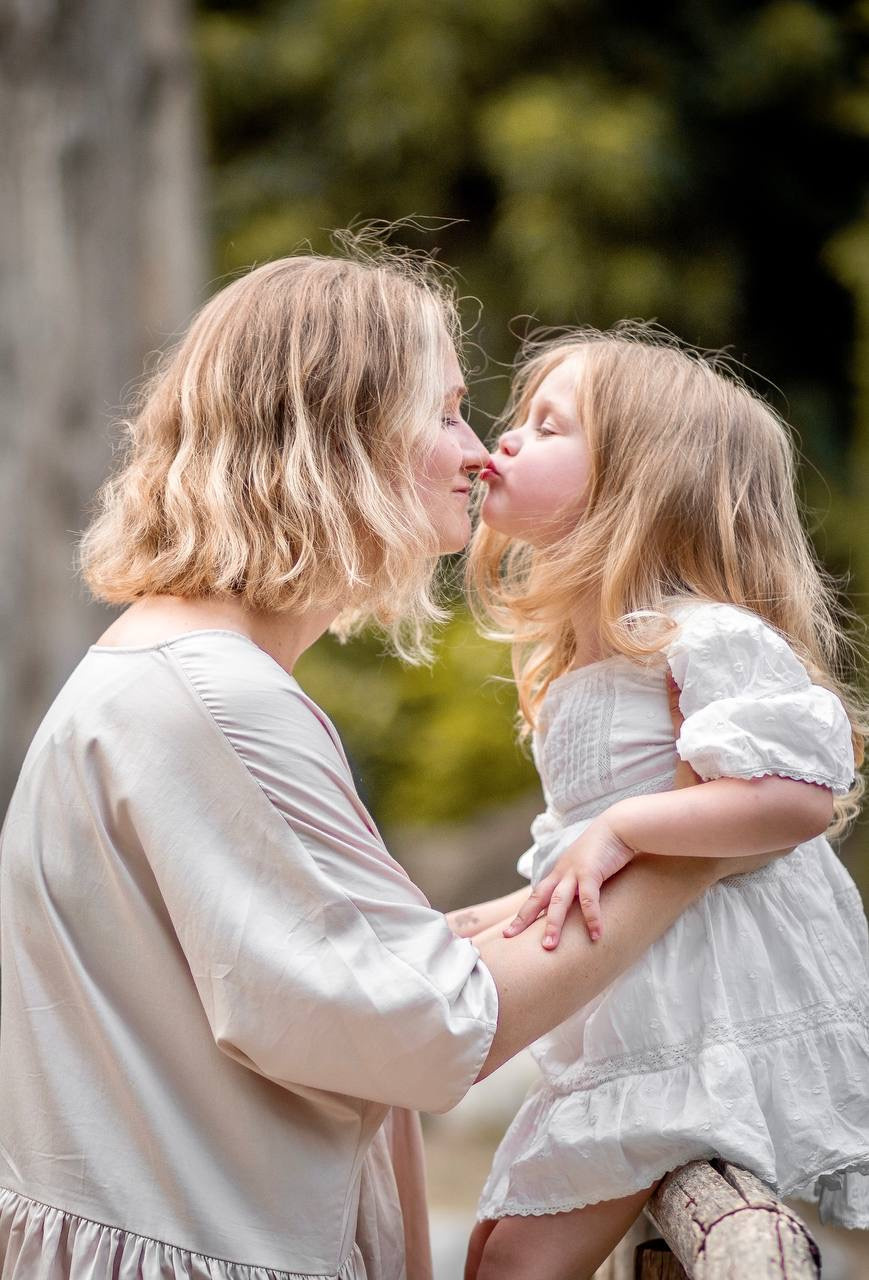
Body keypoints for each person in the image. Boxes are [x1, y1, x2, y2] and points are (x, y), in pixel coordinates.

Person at [0, 254, 779, 1280]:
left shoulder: (185, 675)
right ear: (342, 438)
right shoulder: (213, 700)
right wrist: (705, 843)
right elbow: (419, 1026)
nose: (474, 447)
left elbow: (333, 964)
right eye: (447, 411)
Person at [460, 324, 869, 1280]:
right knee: (494, 1253)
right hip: (632, 1014)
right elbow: (569, 862)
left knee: (516, 1262)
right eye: (519, 418)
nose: (505, 439)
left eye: (549, 427)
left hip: (702, 1020)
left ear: (638, 483)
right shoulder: (587, 666)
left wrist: (626, 824)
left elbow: (799, 795)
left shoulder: (702, 636)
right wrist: (466, 926)